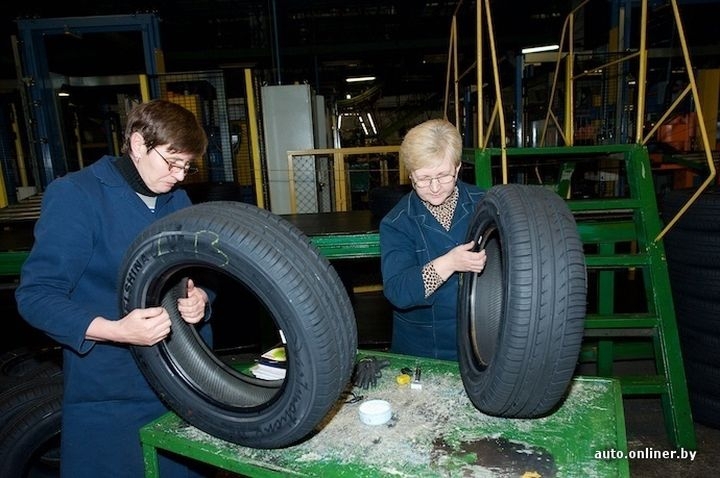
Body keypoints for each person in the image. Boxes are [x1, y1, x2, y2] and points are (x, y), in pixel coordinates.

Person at [15, 99, 212, 477]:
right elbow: (37, 296)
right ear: (138, 144)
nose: (181, 176)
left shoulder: (177, 199)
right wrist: (117, 330)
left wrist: (201, 296)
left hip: (184, 384)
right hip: (111, 394)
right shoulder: (77, 195)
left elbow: (199, 271)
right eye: (173, 162)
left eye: (187, 166)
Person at [380, 118, 486, 360]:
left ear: (458, 169)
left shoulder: (486, 204)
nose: (436, 187)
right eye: (425, 179)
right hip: (424, 349)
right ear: (410, 176)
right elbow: (398, 291)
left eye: (444, 175)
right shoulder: (398, 222)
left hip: (482, 340)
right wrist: (448, 264)